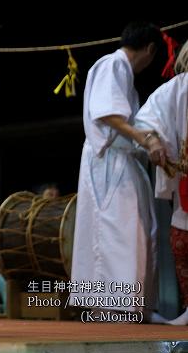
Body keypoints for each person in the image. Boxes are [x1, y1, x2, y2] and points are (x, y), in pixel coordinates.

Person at [69, 22, 164, 318]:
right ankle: (112, 309)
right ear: (149, 49)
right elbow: (107, 113)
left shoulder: (119, 70)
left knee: (134, 230)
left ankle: (132, 307)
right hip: (108, 161)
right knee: (116, 231)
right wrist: (146, 139)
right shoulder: (113, 64)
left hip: (121, 159)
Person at [135, 42, 188, 325]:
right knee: (182, 243)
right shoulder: (178, 89)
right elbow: (145, 118)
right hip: (186, 188)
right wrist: (154, 140)